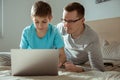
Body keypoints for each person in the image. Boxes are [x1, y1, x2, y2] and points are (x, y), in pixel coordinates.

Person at [57, 2, 105, 72]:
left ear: (82, 21)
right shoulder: (61, 27)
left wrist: (78, 69)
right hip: (62, 58)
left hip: (77, 63)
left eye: (71, 21)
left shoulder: (91, 38)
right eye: (64, 20)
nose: (66, 25)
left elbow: (99, 70)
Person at [19, 1, 66, 67]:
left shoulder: (55, 31)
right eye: (36, 22)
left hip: (49, 62)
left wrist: (57, 64)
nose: (40, 26)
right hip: (31, 61)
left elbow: (62, 55)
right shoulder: (26, 32)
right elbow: (22, 53)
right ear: (32, 18)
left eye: (44, 22)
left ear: (50, 18)